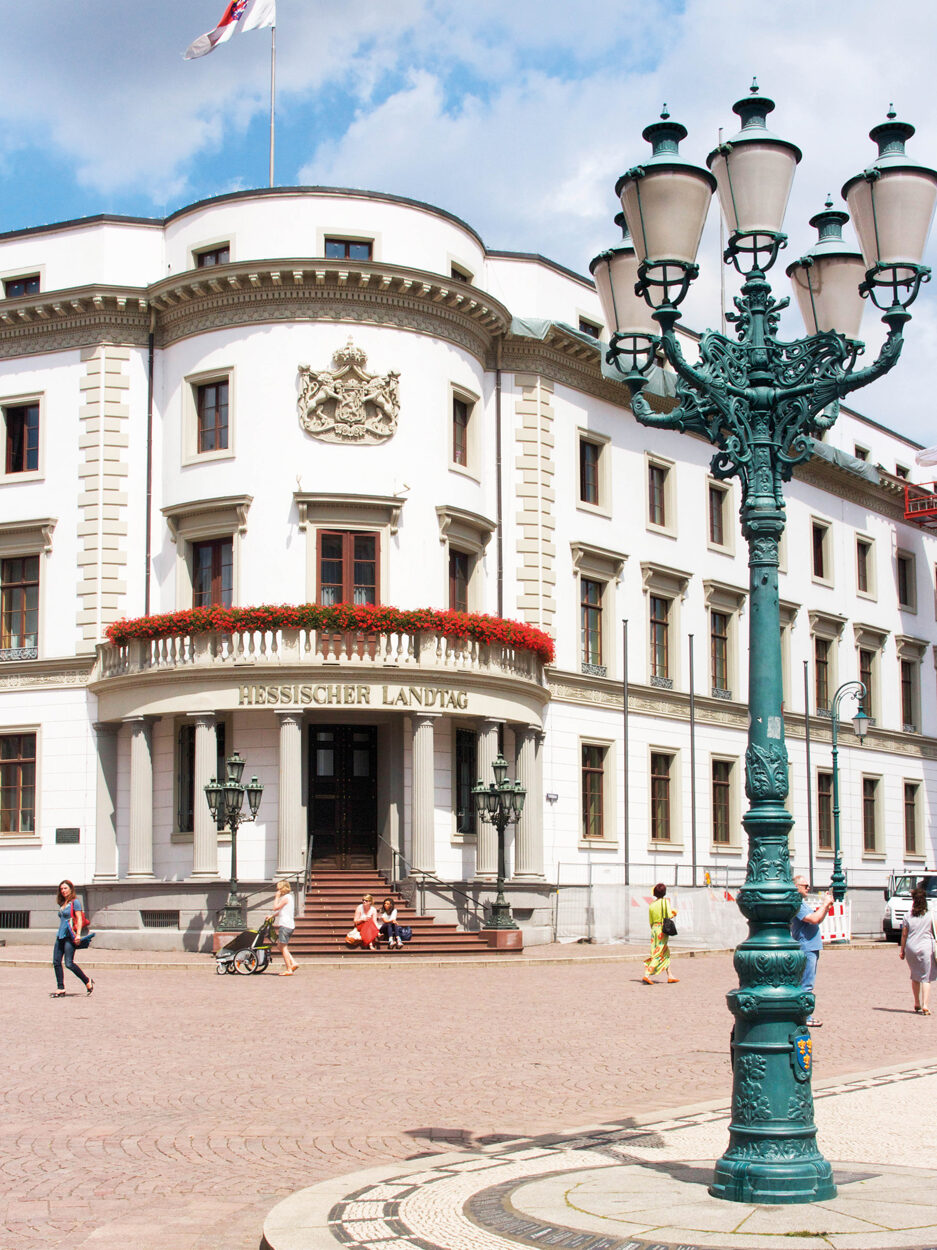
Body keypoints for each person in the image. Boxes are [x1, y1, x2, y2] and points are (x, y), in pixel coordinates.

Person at [791, 875, 833, 1026]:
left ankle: (803, 1014)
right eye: (805, 885)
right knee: (806, 983)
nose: (808, 888)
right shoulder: (797, 904)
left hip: (811, 946)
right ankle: (805, 1016)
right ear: (797, 887)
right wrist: (824, 904)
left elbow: (817, 919)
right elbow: (814, 919)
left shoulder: (802, 903)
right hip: (806, 946)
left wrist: (826, 907)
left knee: (806, 982)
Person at [51, 880, 93, 998]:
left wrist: (78, 934)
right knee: (56, 962)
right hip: (60, 936)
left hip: (70, 936)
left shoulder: (75, 902)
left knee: (69, 963)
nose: (63, 891)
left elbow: (79, 918)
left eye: (65, 888)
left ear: (71, 889)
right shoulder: (63, 903)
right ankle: (60, 988)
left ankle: (87, 980)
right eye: (61, 889)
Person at [899, 885, 937, 1014]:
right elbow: (936, 931)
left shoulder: (907, 915)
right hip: (926, 947)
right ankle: (925, 1005)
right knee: (926, 977)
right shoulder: (931, 914)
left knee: (915, 975)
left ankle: (916, 1003)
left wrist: (902, 950)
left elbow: (904, 934)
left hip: (911, 947)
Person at [643, 882, 678, 984]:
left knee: (665, 952)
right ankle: (647, 975)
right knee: (658, 953)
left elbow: (650, 921)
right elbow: (669, 915)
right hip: (662, 929)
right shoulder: (665, 902)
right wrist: (674, 913)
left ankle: (670, 975)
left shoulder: (651, 905)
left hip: (654, 929)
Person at [272, 880, 298, 976]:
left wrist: (276, 897)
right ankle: (293, 963)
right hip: (289, 924)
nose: (277, 890)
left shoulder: (285, 898)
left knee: (283, 947)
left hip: (285, 925)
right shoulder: (289, 897)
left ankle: (289, 969)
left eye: (279, 888)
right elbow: (282, 910)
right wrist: (272, 916)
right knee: (280, 946)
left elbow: (275, 907)